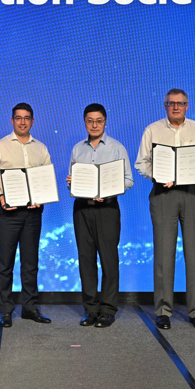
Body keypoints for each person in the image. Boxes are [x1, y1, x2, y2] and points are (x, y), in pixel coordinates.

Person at [135, 89, 195, 330]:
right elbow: (141, 163)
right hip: (163, 194)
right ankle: (163, 310)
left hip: (192, 194)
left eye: (180, 104)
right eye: (171, 103)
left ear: (187, 106)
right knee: (164, 254)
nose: (176, 107)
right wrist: (157, 175)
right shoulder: (152, 129)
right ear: (164, 105)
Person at [0, 103, 51, 328]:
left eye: (27, 118)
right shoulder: (0, 146)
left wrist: (42, 195)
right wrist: (0, 195)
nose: (22, 122)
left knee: (31, 262)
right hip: (7, 211)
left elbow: (46, 177)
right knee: (5, 263)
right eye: (18, 118)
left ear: (33, 121)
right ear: (11, 121)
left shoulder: (40, 148)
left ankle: (30, 307)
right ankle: (5, 309)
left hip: (32, 213)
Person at [67, 103, 133, 328]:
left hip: (107, 209)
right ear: (84, 122)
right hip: (82, 209)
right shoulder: (78, 149)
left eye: (99, 121)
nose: (94, 125)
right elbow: (72, 180)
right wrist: (72, 182)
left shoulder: (116, 147)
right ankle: (91, 309)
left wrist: (107, 190)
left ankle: (108, 309)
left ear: (105, 122)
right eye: (90, 121)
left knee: (108, 259)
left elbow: (128, 180)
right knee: (86, 260)